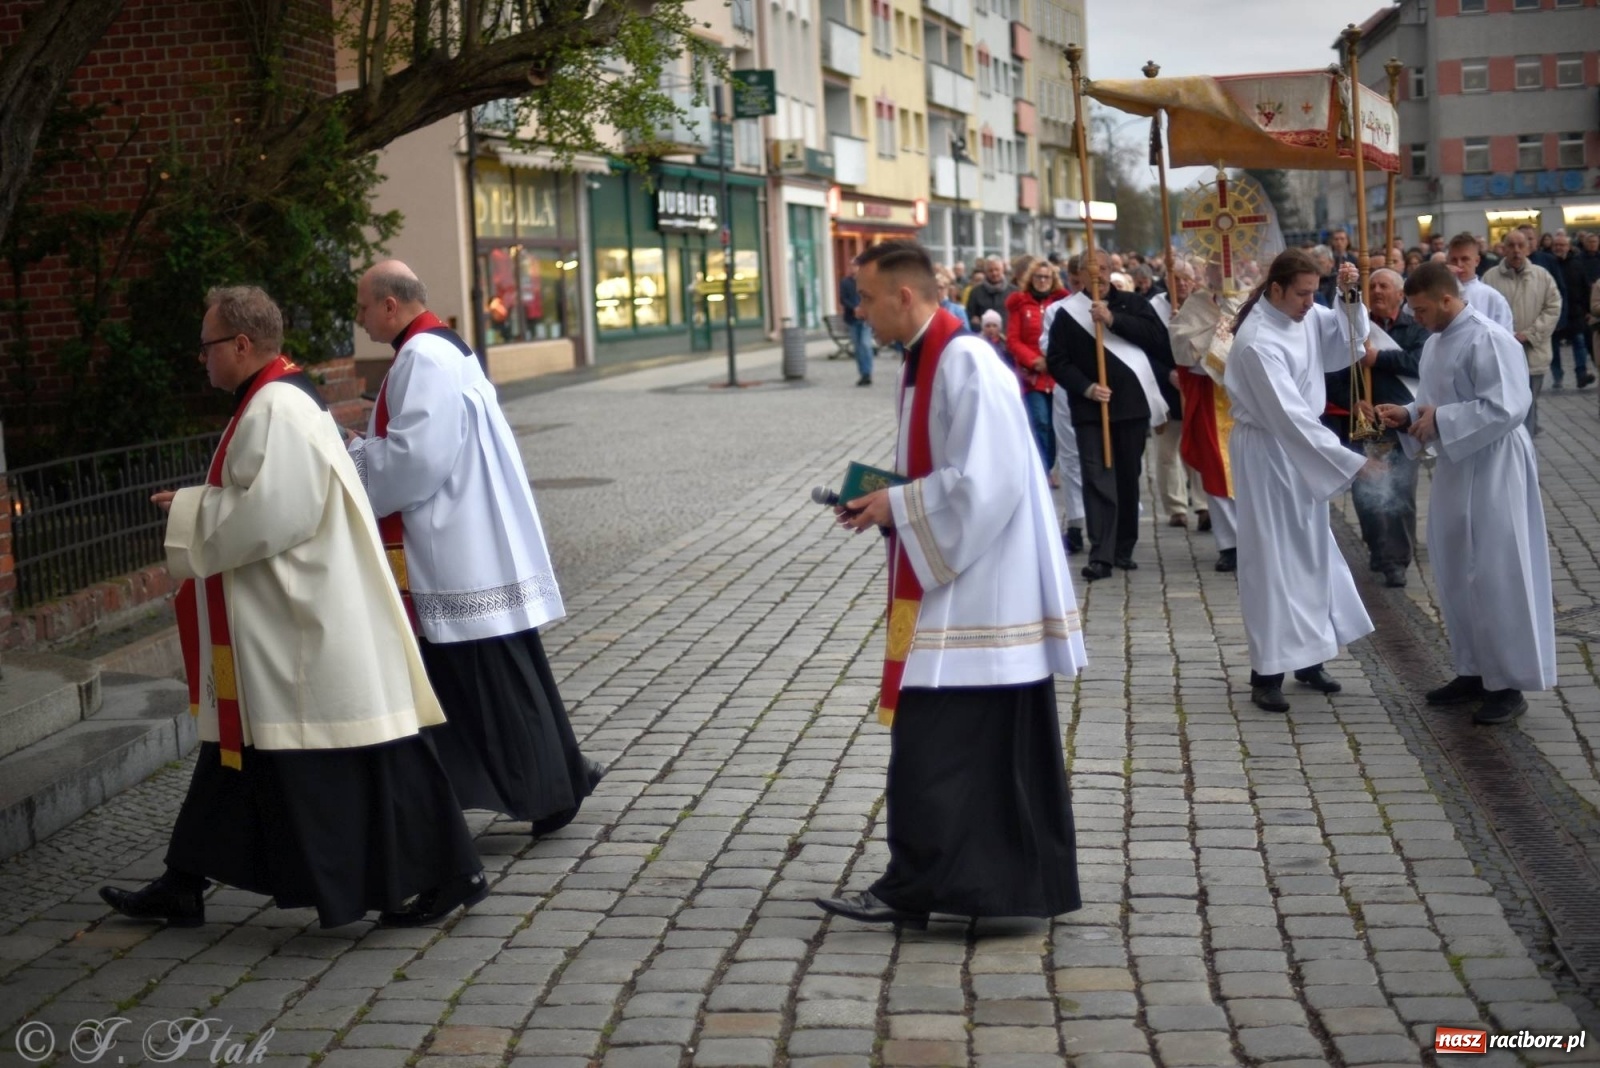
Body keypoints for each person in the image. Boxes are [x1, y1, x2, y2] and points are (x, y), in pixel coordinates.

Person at [100, 286, 485, 930]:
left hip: (309, 621)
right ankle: (182, 881)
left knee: (373, 751)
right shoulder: (274, 397)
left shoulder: (276, 406)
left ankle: (454, 870)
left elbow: (277, 513)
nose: (202, 358)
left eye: (208, 345)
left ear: (242, 345)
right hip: (288, 612)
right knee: (235, 754)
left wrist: (192, 509)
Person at [815, 240, 1086, 926]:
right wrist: (884, 499)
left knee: (935, 751)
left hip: (981, 594)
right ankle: (976, 889)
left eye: (867, 298)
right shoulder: (927, 359)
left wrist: (897, 506)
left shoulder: (963, 361)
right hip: (967, 583)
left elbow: (983, 485)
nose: (859, 311)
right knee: (967, 751)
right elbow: (950, 471)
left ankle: (940, 887)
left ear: (904, 296)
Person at [349, 261, 603, 836]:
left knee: (494, 687)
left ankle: (551, 789)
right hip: (474, 541)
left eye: (364, 306)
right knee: (504, 678)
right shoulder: (443, 348)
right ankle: (555, 777)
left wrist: (358, 458)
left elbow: (418, 462)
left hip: (457, 550)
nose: (359, 318)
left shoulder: (423, 358)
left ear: (391, 305)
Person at [1376, 263, 1556, 725]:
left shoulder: (1489, 339)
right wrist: (1409, 411)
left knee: (1496, 570)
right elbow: (1440, 399)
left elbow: (1507, 407)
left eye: (1419, 309)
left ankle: (1508, 683)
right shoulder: (1436, 342)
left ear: (1447, 300)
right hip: (1458, 464)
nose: (1414, 318)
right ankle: (1473, 670)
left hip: (1496, 463)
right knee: (1456, 566)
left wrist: (1439, 420)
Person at [1224, 250, 1376, 714]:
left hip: (1298, 448)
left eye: (1315, 292)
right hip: (1270, 451)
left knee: (1309, 552)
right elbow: (1287, 415)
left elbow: (1345, 339)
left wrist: (1349, 297)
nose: (1311, 303)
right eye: (1304, 293)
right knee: (1272, 559)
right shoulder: (1257, 340)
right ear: (1276, 290)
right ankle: (1266, 672)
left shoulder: (1301, 314)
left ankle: (1310, 658)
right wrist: (1347, 460)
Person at [1045, 249, 1176, 581]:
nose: (1099, 274)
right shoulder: (1068, 314)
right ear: (1081, 275)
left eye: (1103, 268)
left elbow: (1158, 341)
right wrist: (1086, 387)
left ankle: (1123, 547)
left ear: (1111, 269)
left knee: (1126, 478)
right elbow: (1058, 361)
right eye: (1092, 269)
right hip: (1091, 408)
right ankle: (1100, 554)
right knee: (1096, 476)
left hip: (1131, 407)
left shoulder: (1133, 304)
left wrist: (1114, 321)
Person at [1321, 268, 1426, 588]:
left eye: (1385, 286)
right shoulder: (1354, 329)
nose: (1378, 291)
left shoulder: (1414, 327)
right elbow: (1332, 373)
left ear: (1400, 294)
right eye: (1373, 286)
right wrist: (1352, 402)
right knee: (1366, 492)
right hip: (1361, 422)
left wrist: (1377, 357)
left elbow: (1420, 363)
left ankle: (1397, 559)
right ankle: (1378, 550)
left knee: (1401, 492)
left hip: (1400, 425)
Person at [1168, 262, 1243, 571]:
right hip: (1212, 398)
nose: (1221, 275)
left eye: (1226, 268)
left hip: (1247, 399)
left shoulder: (1251, 300)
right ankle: (1230, 544)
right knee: (1215, 467)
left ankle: (1258, 540)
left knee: (1250, 472)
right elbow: (1180, 341)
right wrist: (1211, 339)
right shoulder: (1195, 304)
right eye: (1214, 270)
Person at [1483, 230, 1562, 437]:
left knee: (1530, 401)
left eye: (1521, 245)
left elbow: (1553, 308)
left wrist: (1530, 334)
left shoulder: (1542, 276)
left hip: (1533, 352)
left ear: (1528, 248)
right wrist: (1503, 336)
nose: (1516, 251)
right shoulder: (1490, 278)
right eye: (1511, 245)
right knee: (1506, 403)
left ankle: (1527, 443)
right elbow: (1482, 313)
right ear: (1503, 248)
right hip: (1502, 355)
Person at [1148, 267, 1206, 531]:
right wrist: (1166, 374)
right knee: (1167, 453)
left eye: (1186, 278)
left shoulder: (1204, 304)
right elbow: (1144, 349)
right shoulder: (1154, 308)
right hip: (1165, 388)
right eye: (1176, 279)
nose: (1181, 284)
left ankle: (1204, 503)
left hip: (1196, 384)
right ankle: (1176, 507)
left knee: (1201, 448)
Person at [1006, 258, 1066, 476]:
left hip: (1057, 374)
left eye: (1046, 277)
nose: (1042, 281)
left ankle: (1052, 465)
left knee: (1057, 425)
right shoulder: (1020, 304)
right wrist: (1033, 361)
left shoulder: (1060, 303)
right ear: (1031, 278)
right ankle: (1043, 469)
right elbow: (1013, 340)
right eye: (1038, 277)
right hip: (1032, 376)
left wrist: (1054, 360)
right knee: (1040, 421)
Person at [1045, 257, 1087, 556]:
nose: (1081, 287)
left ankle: (1108, 523)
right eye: (1075, 282)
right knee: (1071, 457)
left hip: (1107, 392)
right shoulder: (1056, 311)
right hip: (1069, 390)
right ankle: (1076, 522)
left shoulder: (1111, 308)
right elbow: (1049, 348)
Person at [1444, 233, 1514, 335]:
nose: (1459, 265)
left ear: (1476, 261)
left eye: (1465, 259)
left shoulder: (1493, 297)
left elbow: (1505, 337)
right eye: (1454, 260)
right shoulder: (1439, 293)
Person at [1551, 230, 1594, 389]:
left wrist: (1588, 309)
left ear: (1568, 247)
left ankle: (1581, 374)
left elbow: (1585, 287)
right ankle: (1557, 376)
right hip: (1554, 311)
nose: (1559, 248)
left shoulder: (1576, 263)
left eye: (1562, 245)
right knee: (1553, 346)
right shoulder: (1549, 264)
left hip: (1575, 311)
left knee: (1579, 343)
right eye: (1556, 245)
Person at [840, 260, 875, 386]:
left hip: (865, 319)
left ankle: (868, 372)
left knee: (865, 344)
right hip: (852, 319)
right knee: (858, 347)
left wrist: (863, 308)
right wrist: (854, 308)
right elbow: (843, 299)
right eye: (851, 266)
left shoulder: (866, 281)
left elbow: (871, 297)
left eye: (855, 265)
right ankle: (862, 373)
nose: (852, 268)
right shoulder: (845, 282)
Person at [965, 256, 1015, 325]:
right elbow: (970, 316)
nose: (994, 273)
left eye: (997, 270)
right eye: (990, 270)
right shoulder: (976, 292)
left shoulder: (1013, 292)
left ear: (1003, 270)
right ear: (985, 272)